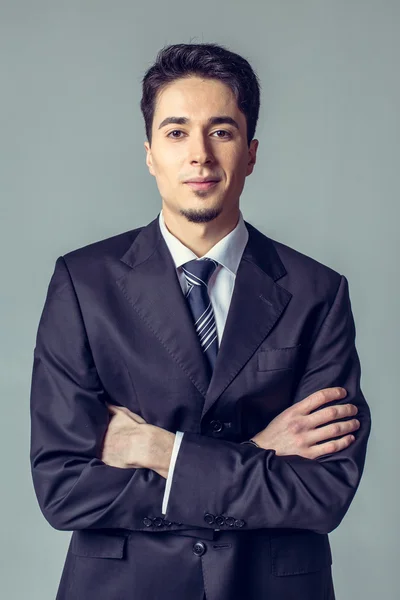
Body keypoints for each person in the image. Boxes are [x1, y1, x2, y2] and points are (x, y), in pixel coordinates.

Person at [29, 42, 371, 600]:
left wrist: (160, 451)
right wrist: (258, 452)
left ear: (251, 152)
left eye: (221, 131)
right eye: (176, 132)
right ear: (149, 153)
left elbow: (324, 491)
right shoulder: (83, 283)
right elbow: (64, 488)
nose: (200, 156)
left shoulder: (317, 292)